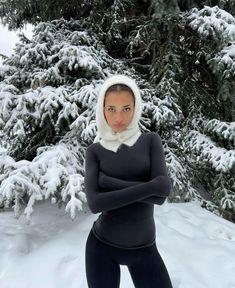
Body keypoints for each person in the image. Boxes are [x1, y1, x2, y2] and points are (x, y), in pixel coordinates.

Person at [84, 74, 173, 288]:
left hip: (144, 250)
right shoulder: (95, 151)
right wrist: (151, 187)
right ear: (102, 109)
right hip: (101, 247)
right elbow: (95, 204)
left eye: (126, 108)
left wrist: (110, 184)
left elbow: (161, 195)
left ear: (136, 108)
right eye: (111, 109)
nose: (118, 118)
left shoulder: (151, 141)